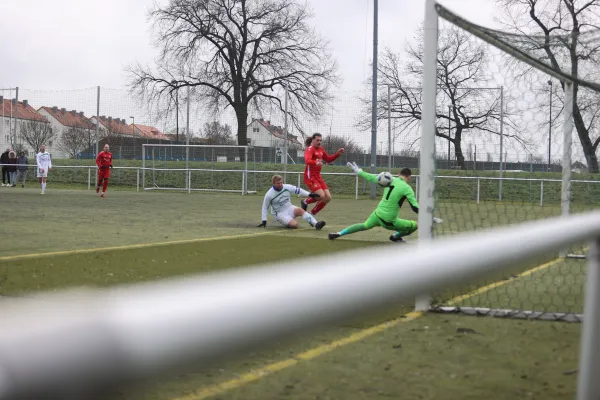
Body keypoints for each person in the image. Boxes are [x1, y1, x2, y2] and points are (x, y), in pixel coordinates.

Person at [328, 163, 442, 242]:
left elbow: (371, 177)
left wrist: (359, 171)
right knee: (415, 226)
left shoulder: (389, 178)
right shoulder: (407, 188)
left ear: (399, 173)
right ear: (409, 177)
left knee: (364, 225)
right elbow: (415, 207)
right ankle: (396, 237)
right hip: (389, 221)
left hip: (377, 214)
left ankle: (340, 233)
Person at [258, 175, 326, 230]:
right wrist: (264, 220)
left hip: (289, 207)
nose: (280, 184)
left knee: (300, 210)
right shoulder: (269, 194)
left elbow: (298, 190)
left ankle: (316, 224)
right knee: (295, 225)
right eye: (278, 183)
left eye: (281, 182)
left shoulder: (286, 187)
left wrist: (309, 194)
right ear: (273, 183)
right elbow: (265, 207)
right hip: (280, 214)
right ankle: (289, 221)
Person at [301, 133, 344, 216]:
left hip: (317, 176)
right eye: (317, 140)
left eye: (320, 140)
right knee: (321, 195)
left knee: (328, 197)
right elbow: (307, 161)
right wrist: (316, 162)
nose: (319, 142)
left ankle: (311, 214)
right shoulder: (310, 149)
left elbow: (328, 159)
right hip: (310, 176)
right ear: (313, 140)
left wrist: (337, 154)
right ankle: (305, 201)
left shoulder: (320, 149)